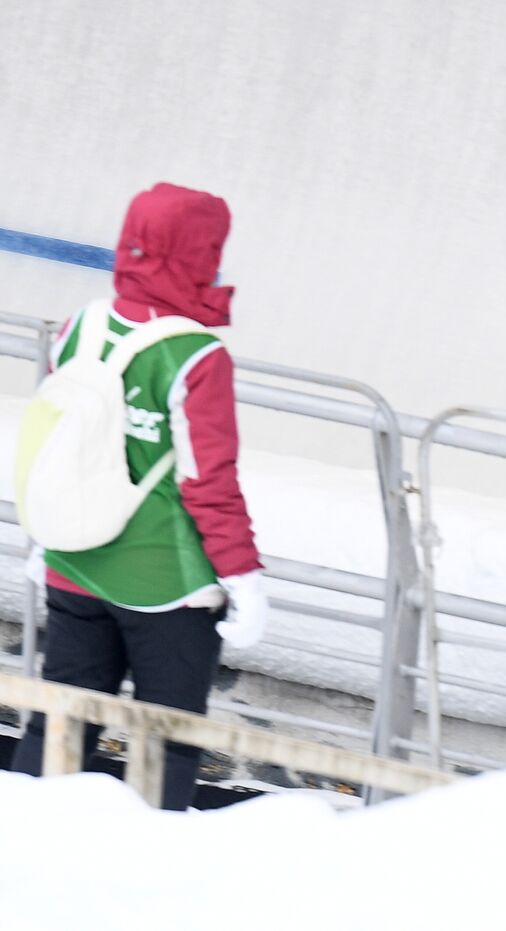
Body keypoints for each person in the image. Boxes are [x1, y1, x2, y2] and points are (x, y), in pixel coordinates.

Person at [9, 183, 268, 810]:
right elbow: (209, 480)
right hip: (167, 587)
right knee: (168, 741)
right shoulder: (197, 356)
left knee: (59, 728)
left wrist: (43, 538)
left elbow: (56, 439)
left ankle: (23, 856)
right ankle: (145, 883)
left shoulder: (79, 327)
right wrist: (243, 577)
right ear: (199, 253)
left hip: (74, 564)